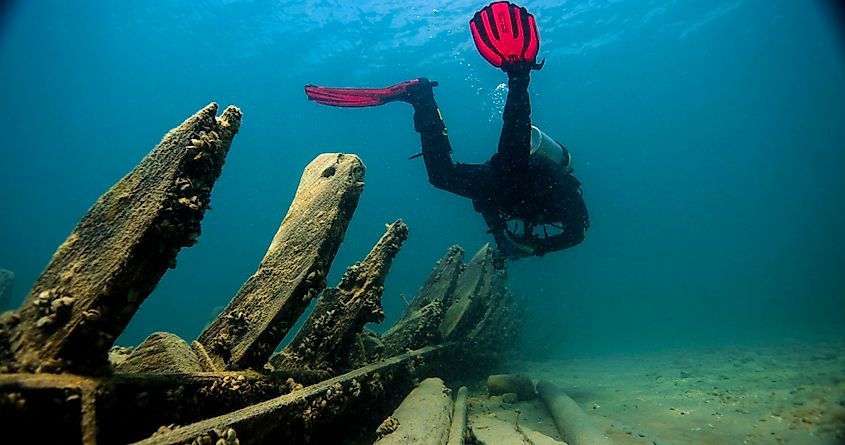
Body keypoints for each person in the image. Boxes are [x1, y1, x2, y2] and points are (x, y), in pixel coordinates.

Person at [305, 1, 589, 269]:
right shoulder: (569, 197)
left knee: (441, 176)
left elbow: (486, 200)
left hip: (498, 181)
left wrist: (506, 238)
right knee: (515, 140)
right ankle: (519, 75)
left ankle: (421, 98)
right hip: (520, 174)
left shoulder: (554, 202)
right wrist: (535, 247)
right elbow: (577, 235)